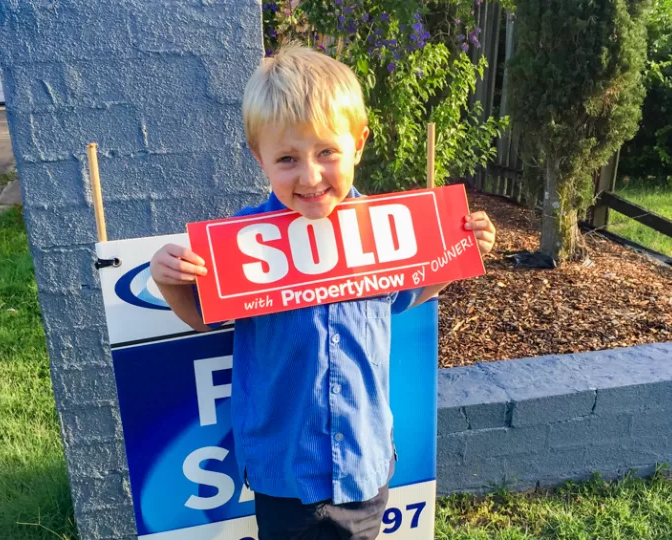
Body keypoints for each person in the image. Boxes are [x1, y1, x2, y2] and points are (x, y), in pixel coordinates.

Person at [149, 43, 496, 540]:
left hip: (364, 462)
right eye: (287, 158)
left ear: (358, 144)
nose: (310, 177)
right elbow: (207, 319)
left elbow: (408, 294)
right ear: (259, 157)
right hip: (284, 470)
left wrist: (459, 254)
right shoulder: (241, 243)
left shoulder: (384, 232)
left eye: (327, 152)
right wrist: (168, 281)